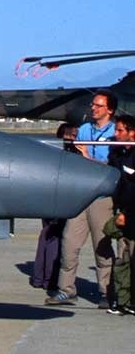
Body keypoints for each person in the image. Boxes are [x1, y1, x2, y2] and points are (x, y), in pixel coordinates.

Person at [48, 91, 118, 307]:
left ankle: (107, 291)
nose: (93, 108)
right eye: (93, 104)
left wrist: (88, 157)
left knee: (102, 246)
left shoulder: (116, 133)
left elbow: (113, 167)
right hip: (82, 194)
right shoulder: (85, 130)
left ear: (110, 110)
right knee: (70, 243)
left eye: (98, 105)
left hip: (103, 197)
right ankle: (66, 289)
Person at [31, 123, 79, 293]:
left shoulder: (49, 154)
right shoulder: (72, 154)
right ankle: (50, 277)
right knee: (56, 238)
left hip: (46, 198)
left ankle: (40, 276)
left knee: (46, 236)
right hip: (61, 199)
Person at [100, 114, 135, 315]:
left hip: (131, 214)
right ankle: (124, 301)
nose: (116, 134)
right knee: (123, 260)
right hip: (124, 213)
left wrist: (128, 214)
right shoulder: (120, 154)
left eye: (121, 130)